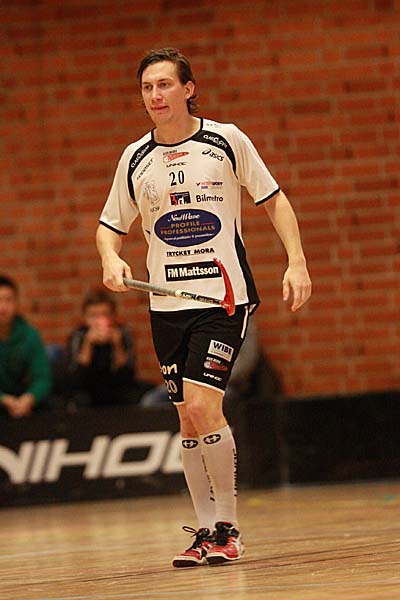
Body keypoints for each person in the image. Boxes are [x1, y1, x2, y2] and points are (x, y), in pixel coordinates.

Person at [96, 47, 312, 567]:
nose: (155, 96)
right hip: (165, 306)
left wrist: (297, 262)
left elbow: (275, 200)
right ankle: (205, 532)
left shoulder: (226, 140)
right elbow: (109, 228)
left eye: (165, 85)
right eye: (147, 87)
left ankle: (229, 529)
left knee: (201, 407)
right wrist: (111, 259)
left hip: (222, 298)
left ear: (188, 89)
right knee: (187, 421)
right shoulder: (135, 157)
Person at [66, 289, 151, 406]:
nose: (99, 320)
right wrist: (88, 344)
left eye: (105, 314)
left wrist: (117, 345)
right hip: (88, 391)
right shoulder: (78, 336)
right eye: (93, 316)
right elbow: (75, 378)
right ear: (85, 318)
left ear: (113, 316)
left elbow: (128, 376)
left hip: (117, 389)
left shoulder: (123, 333)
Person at [0, 275, 52, 418]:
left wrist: (29, 398)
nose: (2, 307)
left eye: (8, 300)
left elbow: (43, 378)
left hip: (25, 406)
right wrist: (3, 399)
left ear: (16, 303)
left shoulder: (29, 335)